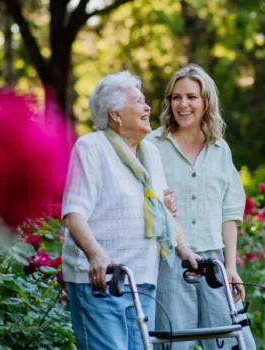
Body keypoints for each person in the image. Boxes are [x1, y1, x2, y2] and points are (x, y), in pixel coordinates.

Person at [61, 70, 199, 350]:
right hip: (102, 281)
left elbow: (161, 209)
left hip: (142, 280)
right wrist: (97, 255)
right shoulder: (92, 148)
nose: (148, 107)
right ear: (115, 114)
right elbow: (73, 212)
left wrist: (184, 248)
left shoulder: (151, 154)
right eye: (137, 102)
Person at [147, 64, 257, 350]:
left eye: (192, 97)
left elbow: (230, 212)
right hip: (169, 262)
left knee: (236, 344)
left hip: (214, 263)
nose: (183, 104)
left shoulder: (220, 149)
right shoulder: (151, 146)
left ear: (206, 101)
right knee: (173, 345)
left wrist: (231, 268)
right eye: (176, 97)